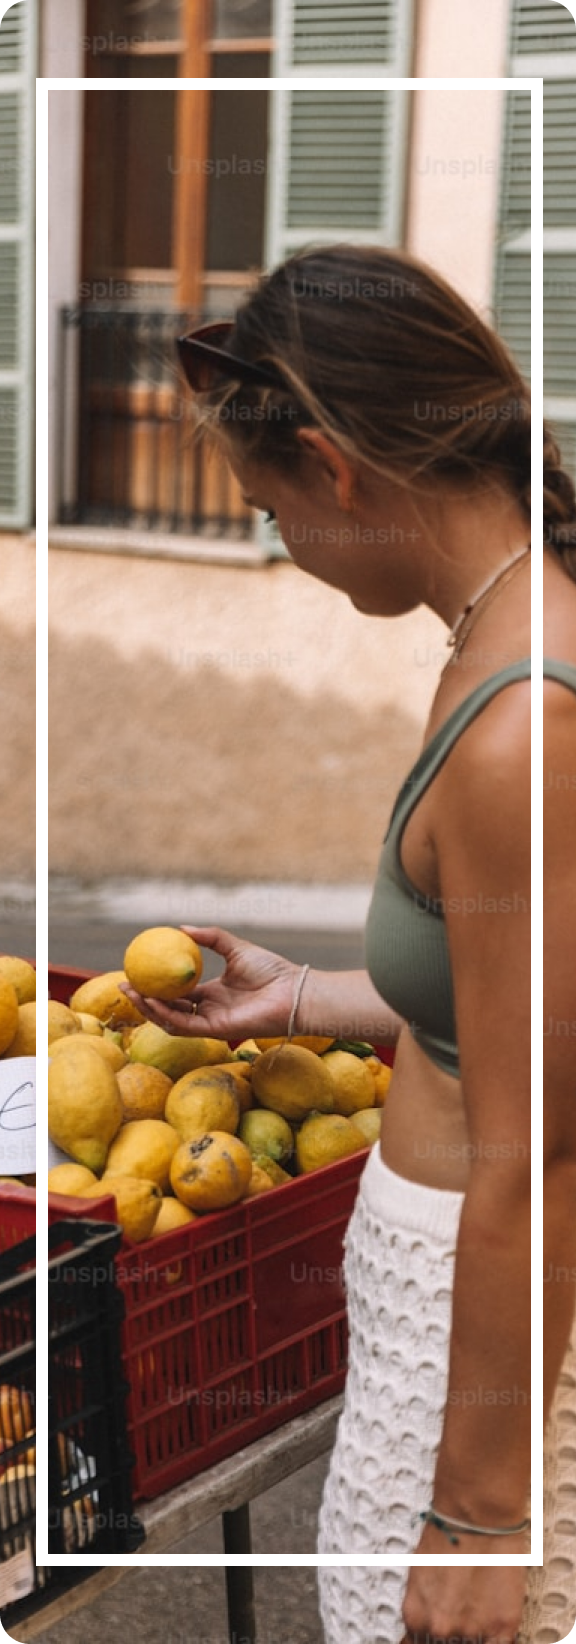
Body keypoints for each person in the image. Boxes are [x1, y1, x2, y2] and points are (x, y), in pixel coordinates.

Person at [124, 245, 576, 1644]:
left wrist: (485, 1517)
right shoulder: (501, 640)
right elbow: (510, 1016)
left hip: (488, 1357)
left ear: (335, 467)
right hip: (448, 1332)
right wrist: (307, 998)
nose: (282, 546)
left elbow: (543, 1146)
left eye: (268, 510)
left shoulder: (525, 726)